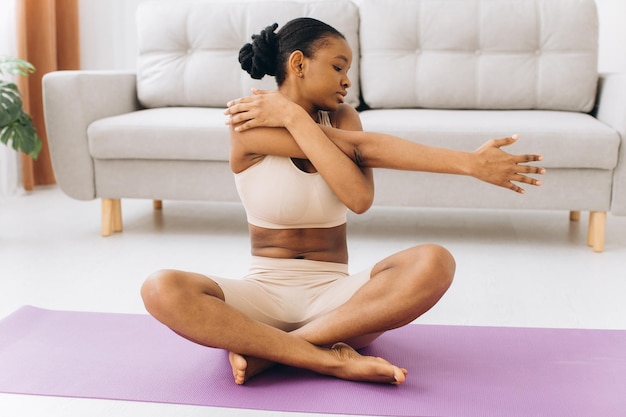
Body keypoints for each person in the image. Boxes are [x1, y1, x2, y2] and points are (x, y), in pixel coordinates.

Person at [141, 17, 545, 386]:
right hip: (262, 295)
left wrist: (471, 164)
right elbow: (360, 151)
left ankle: (273, 351)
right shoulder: (249, 119)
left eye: (348, 70)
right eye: (338, 67)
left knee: (435, 262)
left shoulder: (345, 119)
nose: (347, 80)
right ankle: (329, 360)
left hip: (341, 303)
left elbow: (358, 198)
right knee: (161, 288)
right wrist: (288, 116)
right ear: (298, 64)